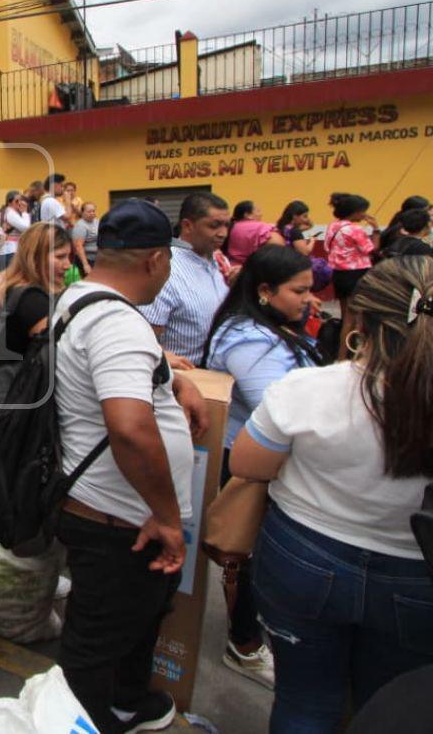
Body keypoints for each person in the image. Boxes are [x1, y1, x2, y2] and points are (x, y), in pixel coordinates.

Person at [230, 256, 433, 732]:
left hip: (305, 558)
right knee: (391, 705)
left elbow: (247, 464)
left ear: (357, 318)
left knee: (304, 702)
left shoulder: (308, 388)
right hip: (416, 577)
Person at [52, 199, 208, 734]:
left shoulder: (81, 296)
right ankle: (87, 721)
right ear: (157, 260)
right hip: (120, 520)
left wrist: (173, 378)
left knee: (136, 623)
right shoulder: (118, 321)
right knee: (96, 642)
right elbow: (129, 428)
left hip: (113, 511)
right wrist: (167, 517)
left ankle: (126, 703)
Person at [202, 245, 320, 690]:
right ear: (266, 291)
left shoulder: (276, 326)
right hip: (246, 464)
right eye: (300, 291)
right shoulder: (247, 337)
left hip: (277, 461)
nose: (309, 299)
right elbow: (282, 404)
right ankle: (243, 643)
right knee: (242, 556)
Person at [142, 192, 231, 369]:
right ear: (187, 225)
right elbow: (144, 336)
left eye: (226, 225)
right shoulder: (167, 270)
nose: (223, 233)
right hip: (185, 378)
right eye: (214, 226)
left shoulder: (217, 262)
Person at [0, 222, 72, 360]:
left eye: (68, 257)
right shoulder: (32, 300)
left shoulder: (14, 288)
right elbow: (60, 350)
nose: (68, 265)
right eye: (60, 257)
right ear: (35, 258)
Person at [326, 192, 379, 337]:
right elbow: (372, 249)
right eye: (363, 211)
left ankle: (342, 354)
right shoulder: (356, 230)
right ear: (355, 212)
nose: (364, 215)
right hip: (356, 275)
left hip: (339, 275)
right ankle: (345, 354)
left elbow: (326, 247)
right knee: (354, 321)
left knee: (346, 318)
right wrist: (376, 229)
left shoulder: (332, 227)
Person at [226, 200, 285, 265]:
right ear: (248, 215)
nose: (261, 214)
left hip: (231, 266)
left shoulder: (232, 226)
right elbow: (279, 250)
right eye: (258, 211)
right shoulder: (260, 227)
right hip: (254, 269)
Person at [0, 190, 32, 272]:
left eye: (21, 200)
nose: (20, 203)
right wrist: (25, 213)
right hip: (11, 250)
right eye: (17, 201)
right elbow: (26, 228)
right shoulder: (11, 213)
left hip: (10, 250)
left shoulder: (9, 212)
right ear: (9, 202)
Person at [72, 201, 100, 276]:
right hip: (88, 259)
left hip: (98, 259)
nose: (92, 213)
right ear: (82, 212)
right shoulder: (80, 226)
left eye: (93, 211)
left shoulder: (97, 221)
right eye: (89, 211)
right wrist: (85, 265)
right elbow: (78, 246)